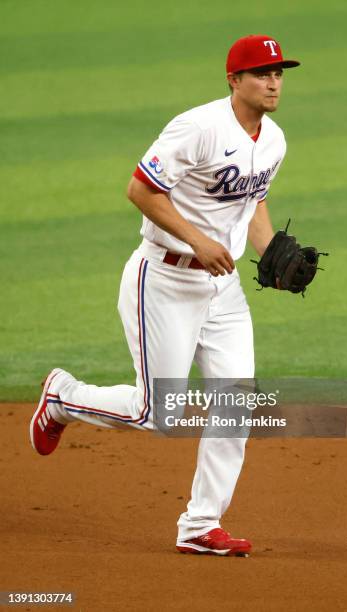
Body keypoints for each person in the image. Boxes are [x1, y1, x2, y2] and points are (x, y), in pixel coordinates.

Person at [30, 35, 300, 557]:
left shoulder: (275, 140)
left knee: (236, 405)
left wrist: (272, 255)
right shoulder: (197, 127)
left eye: (279, 73)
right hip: (164, 281)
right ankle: (62, 396)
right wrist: (198, 239)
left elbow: (254, 202)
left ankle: (201, 523)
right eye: (262, 73)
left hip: (223, 289)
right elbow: (140, 189)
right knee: (160, 413)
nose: (273, 82)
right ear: (234, 80)